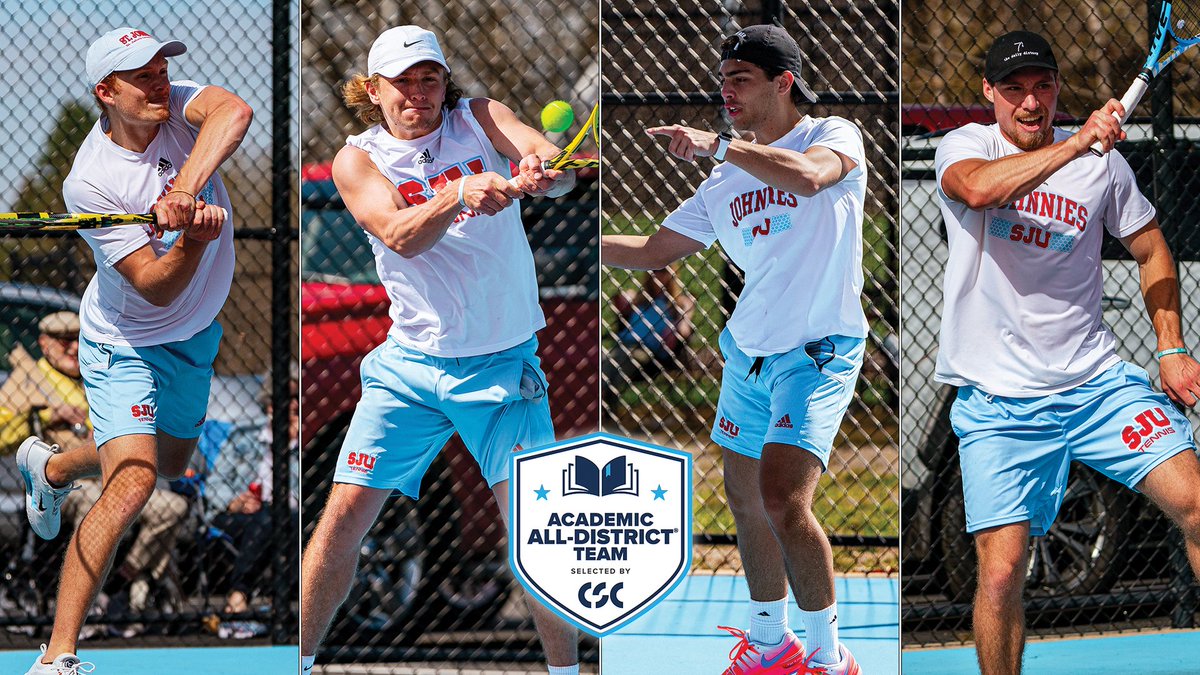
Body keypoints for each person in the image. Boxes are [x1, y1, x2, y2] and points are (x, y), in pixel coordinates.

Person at [299, 26, 580, 675]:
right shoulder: (357, 159)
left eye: (429, 79)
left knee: (537, 539)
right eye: (402, 82)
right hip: (409, 371)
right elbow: (399, 235)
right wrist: (459, 191)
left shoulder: (478, 119)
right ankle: (302, 661)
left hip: (502, 367)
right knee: (342, 517)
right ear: (372, 91)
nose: (418, 93)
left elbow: (548, 161)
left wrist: (544, 168)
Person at [603, 24, 867, 675]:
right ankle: (770, 645)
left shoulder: (831, 136)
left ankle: (831, 658)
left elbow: (810, 179)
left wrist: (719, 145)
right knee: (748, 502)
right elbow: (655, 250)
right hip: (747, 356)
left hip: (817, 353)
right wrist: (579, 237)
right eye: (722, 80)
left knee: (783, 498)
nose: (726, 91)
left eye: (740, 79)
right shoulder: (723, 180)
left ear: (784, 82)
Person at [934, 30, 1200, 675]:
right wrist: (1078, 142)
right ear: (990, 95)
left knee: (1197, 505)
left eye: (1043, 87)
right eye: (1016, 89)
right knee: (999, 578)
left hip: (1097, 387)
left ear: (1057, 90)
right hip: (998, 404)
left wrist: (1170, 348)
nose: (1031, 103)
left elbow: (1151, 248)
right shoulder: (965, 146)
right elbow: (979, 192)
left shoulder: (1104, 167)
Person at [15, 26, 252, 674]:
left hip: (196, 336)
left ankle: (56, 468)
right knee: (134, 479)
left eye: (159, 69)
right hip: (127, 341)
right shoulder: (89, 182)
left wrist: (185, 191)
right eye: (140, 76)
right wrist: (193, 243)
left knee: (171, 462)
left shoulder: (178, 105)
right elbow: (152, 285)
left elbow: (235, 111)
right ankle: (56, 655)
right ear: (105, 92)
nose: (158, 83)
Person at [0, 311, 189, 640]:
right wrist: (44, 413)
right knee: (93, 500)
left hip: (115, 477)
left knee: (172, 507)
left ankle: (119, 586)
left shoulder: (96, 370)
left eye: (78, 338)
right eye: (64, 341)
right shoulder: (27, 380)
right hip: (68, 486)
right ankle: (88, 601)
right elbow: (2, 436)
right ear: (44, 345)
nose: (73, 347)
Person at [603, 265, 695, 403]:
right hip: (624, 344)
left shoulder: (678, 303)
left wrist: (677, 324)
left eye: (663, 271)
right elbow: (621, 301)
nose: (658, 276)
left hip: (650, 353)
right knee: (606, 356)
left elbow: (685, 330)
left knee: (622, 358)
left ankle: (605, 402)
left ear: (672, 274)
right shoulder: (640, 299)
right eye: (654, 271)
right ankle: (603, 400)